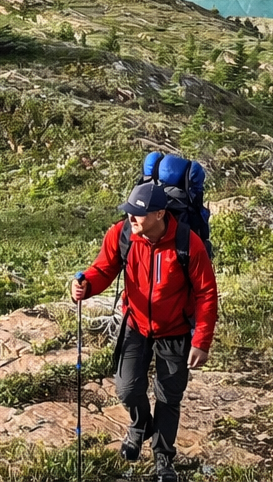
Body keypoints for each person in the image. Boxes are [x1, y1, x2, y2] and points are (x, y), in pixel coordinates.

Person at [72, 179, 218, 482]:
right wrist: (85, 285)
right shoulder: (122, 234)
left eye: (138, 214)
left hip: (175, 330)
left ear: (160, 214)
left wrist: (201, 340)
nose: (131, 218)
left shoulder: (187, 243)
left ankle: (163, 458)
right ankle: (140, 425)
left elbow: (206, 292)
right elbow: (103, 268)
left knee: (168, 396)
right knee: (127, 388)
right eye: (129, 212)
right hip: (135, 324)